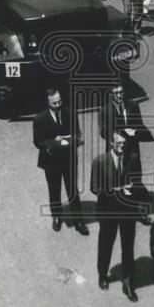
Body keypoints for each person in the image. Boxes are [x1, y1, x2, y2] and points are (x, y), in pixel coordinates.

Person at [91, 131, 149, 301]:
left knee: (128, 247)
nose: (121, 147)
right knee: (106, 245)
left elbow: (138, 181)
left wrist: (134, 188)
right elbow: (95, 188)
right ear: (111, 143)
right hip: (108, 211)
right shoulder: (100, 161)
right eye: (118, 144)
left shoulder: (133, 158)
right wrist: (116, 191)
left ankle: (128, 282)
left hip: (127, 211)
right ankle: (102, 274)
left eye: (124, 144)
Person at [32, 89, 88, 235]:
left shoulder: (70, 113)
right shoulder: (40, 119)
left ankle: (79, 221)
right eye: (54, 103)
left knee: (73, 190)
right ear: (48, 103)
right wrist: (52, 143)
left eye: (60, 101)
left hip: (69, 158)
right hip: (51, 161)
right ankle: (57, 216)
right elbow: (38, 142)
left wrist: (70, 138)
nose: (58, 105)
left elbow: (77, 133)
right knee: (54, 189)